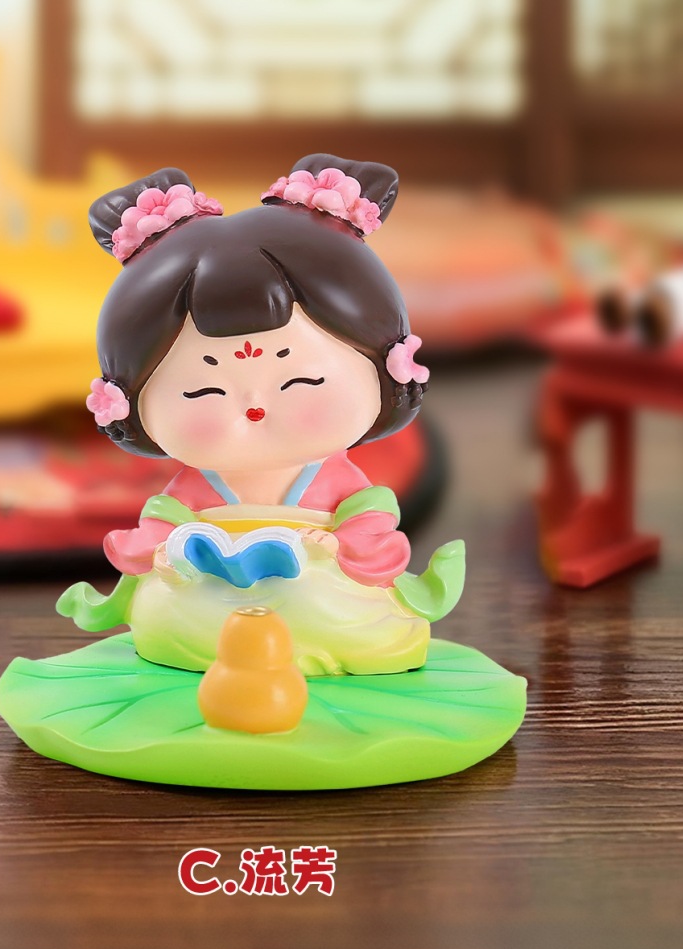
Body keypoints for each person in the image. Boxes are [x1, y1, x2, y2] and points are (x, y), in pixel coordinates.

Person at [59, 154, 461, 676]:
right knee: (162, 608)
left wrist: (335, 543)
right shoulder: (195, 490)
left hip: (317, 590)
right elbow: (164, 523)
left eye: (302, 382)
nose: (254, 406)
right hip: (207, 601)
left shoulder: (338, 484)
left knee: (341, 608)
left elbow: (369, 519)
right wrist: (164, 551)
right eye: (204, 390)